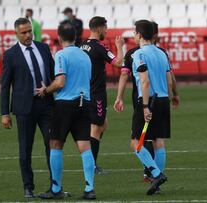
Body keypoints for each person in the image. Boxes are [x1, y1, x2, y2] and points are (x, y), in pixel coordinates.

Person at [114, 21, 180, 184]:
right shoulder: (162, 53)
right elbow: (169, 80)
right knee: (158, 141)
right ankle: (157, 182)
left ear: (139, 35)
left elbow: (144, 82)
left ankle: (156, 174)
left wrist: (144, 106)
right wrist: (171, 96)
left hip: (148, 101)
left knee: (136, 142)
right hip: (163, 99)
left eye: (135, 33)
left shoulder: (138, 54)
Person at [36, 22, 95, 200]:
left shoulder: (61, 55)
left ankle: (55, 189)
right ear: (76, 37)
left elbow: (60, 82)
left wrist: (45, 90)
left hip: (65, 104)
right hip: (84, 103)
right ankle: (89, 188)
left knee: (55, 144)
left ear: (59, 37)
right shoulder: (85, 56)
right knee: (85, 146)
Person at [0, 17, 55, 198]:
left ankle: (55, 185)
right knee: (25, 149)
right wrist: (4, 113)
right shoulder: (10, 55)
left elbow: (54, 75)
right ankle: (28, 187)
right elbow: (5, 86)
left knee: (52, 144)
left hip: (46, 104)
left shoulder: (44, 48)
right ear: (16, 34)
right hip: (24, 108)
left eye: (30, 31)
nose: (28, 35)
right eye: (24, 32)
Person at [80, 16, 124, 174]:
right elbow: (119, 63)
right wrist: (120, 47)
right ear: (98, 28)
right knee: (96, 128)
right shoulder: (100, 47)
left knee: (103, 124)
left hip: (85, 92)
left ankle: (90, 161)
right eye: (105, 28)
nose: (107, 30)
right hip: (96, 94)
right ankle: (91, 165)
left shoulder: (83, 45)